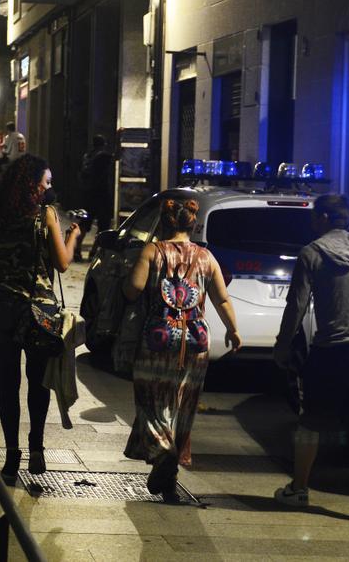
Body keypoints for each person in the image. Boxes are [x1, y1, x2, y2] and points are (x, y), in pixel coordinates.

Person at [271, 194, 349, 523]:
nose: (312, 223)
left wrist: (283, 347)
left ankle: (299, 489)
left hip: (333, 348)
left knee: (310, 421)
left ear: (324, 219)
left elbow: (296, 306)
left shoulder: (312, 253)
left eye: (315, 217)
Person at [0, 154, 82, 483]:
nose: (49, 188)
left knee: (8, 384)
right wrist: (72, 236)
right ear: (34, 185)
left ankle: (10, 456)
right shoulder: (46, 215)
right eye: (46, 182)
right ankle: (36, 448)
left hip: (3, 307)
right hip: (38, 313)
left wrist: (7, 263)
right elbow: (62, 264)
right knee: (38, 381)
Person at [122, 198, 242, 500]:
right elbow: (222, 299)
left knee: (151, 398)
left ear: (164, 222)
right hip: (196, 339)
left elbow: (133, 289)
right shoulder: (206, 257)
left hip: (158, 338)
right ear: (192, 224)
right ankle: (170, 476)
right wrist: (233, 330)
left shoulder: (153, 251)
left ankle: (164, 452)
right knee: (182, 405)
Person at [77, 134, 115, 260]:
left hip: (88, 194)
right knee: (103, 224)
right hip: (101, 194)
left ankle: (76, 249)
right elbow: (118, 156)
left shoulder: (88, 156)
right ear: (103, 145)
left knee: (84, 223)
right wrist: (120, 138)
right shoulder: (102, 156)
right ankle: (93, 252)